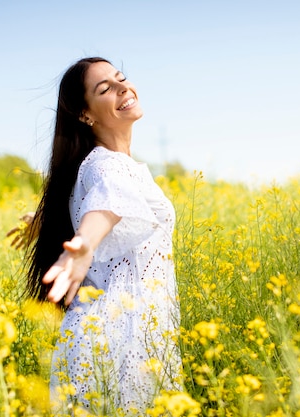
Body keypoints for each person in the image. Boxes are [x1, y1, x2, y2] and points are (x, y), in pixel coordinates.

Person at [10, 57, 183, 414]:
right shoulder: (110, 166)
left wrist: (46, 221)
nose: (123, 88)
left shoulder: (94, 165)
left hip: (108, 340)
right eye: (104, 89)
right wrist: (83, 245)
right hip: (120, 343)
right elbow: (109, 202)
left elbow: (100, 204)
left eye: (121, 79)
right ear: (85, 115)